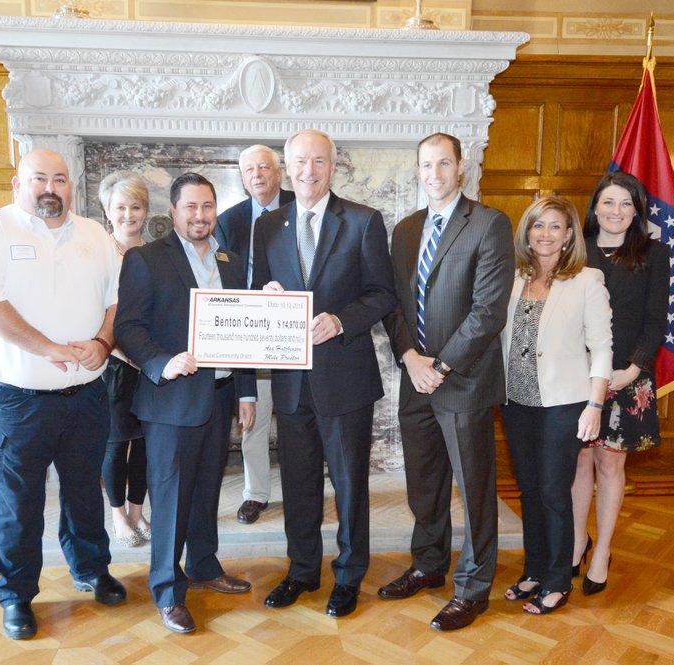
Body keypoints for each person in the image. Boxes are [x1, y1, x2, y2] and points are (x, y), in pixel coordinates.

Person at [0, 149, 127, 640]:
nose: (50, 188)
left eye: (60, 179)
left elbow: (117, 301)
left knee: (84, 494)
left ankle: (92, 569)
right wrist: (47, 347)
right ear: (17, 183)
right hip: (17, 400)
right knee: (19, 503)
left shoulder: (96, 235)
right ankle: (16, 594)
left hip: (87, 395)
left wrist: (102, 342)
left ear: (71, 186)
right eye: (39, 179)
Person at [251, 129, 396, 618]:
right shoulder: (268, 226)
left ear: (333, 167)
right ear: (285, 168)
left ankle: (350, 576)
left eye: (318, 161)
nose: (308, 171)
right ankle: (302, 571)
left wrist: (340, 320)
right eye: (299, 162)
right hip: (291, 383)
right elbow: (256, 290)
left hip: (346, 379)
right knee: (298, 482)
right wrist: (267, 296)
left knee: (351, 484)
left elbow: (382, 294)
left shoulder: (362, 221)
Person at [380, 132, 515, 631]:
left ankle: (474, 587)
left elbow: (487, 312)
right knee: (425, 484)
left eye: (442, 164)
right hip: (414, 377)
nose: (433, 173)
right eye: (425, 165)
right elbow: (392, 303)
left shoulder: (489, 224)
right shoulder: (405, 229)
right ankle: (428, 564)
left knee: (474, 488)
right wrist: (411, 358)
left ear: (460, 168)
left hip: (463, 382)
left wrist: (440, 366)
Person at [114, 172, 256, 635]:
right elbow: (129, 328)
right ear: (173, 212)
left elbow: (243, 334)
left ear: (216, 210)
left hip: (218, 398)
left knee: (205, 490)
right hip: (170, 402)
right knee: (172, 497)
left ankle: (204, 565)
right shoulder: (146, 260)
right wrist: (161, 362)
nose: (200, 216)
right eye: (190, 207)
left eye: (207, 207)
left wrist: (246, 391)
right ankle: (167, 592)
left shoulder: (230, 261)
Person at [500, 196, 612, 615]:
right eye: (537, 225)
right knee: (529, 489)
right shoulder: (512, 278)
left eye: (554, 227)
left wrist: (595, 405)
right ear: (526, 233)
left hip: (564, 404)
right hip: (516, 402)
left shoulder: (587, 280)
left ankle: (557, 579)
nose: (544, 234)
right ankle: (533, 570)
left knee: (553, 492)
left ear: (569, 236)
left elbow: (602, 349)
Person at [571, 172, 670, 595]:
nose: (616, 211)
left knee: (611, 464)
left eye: (626, 204)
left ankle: (602, 552)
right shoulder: (576, 251)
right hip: (577, 376)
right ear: (594, 208)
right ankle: (576, 543)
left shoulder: (654, 253)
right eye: (608, 203)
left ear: (637, 211)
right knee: (578, 463)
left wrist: (632, 369)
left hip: (629, 375)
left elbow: (655, 320)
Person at [215, 144, 294, 525]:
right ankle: (256, 493)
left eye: (265, 167)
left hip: (295, 330)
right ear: (243, 178)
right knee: (253, 415)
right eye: (250, 170)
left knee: (301, 418)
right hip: (250, 332)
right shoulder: (228, 221)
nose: (258, 174)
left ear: (280, 172)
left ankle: (302, 490)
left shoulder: (302, 206)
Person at [98, 171, 151, 546]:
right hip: (114, 364)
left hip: (149, 365)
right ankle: (117, 516)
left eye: (135, 206)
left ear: (145, 211)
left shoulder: (157, 254)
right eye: (121, 207)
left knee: (146, 441)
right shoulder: (98, 255)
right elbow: (94, 310)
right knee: (116, 443)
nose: (128, 214)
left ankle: (137, 511)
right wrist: (123, 352)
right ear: (108, 211)